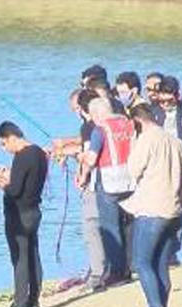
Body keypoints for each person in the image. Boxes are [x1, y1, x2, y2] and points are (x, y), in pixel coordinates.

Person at [121, 104, 182, 307]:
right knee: (160, 263)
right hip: (174, 209)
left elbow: (133, 170)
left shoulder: (146, 140)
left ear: (137, 121)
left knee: (142, 262)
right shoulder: (174, 141)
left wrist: (133, 141)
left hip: (152, 209)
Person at [0, 121, 48, 307]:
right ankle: (34, 301)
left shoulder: (22, 156)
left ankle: (20, 305)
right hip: (34, 210)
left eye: (3, 143)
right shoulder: (39, 153)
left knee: (20, 258)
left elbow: (15, 190)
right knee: (33, 255)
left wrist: (2, 183)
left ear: (12, 138)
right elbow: (26, 182)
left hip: (20, 213)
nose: (4, 148)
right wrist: (11, 176)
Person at [52, 89, 107, 292]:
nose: (76, 113)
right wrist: (65, 149)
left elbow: (89, 155)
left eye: (76, 109)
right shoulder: (103, 125)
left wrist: (82, 176)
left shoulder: (89, 127)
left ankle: (97, 274)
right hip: (108, 184)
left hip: (95, 185)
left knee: (92, 228)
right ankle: (102, 269)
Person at [79, 97, 135, 284]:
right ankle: (130, 267)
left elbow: (92, 159)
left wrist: (82, 161)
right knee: (129, 226)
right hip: (131, 181)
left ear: (96, 114)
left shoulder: (100, 129)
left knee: (110, 227)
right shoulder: (127, 124)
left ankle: (116, 272)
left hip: (109, 183)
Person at [152, 76, 182, 263]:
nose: (165, 105)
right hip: (160, 170)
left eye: (169, 101)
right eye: (162, 101)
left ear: (177, 95)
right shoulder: (154, 113)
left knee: (181, 208)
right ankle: (160, 248)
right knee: (161, 209)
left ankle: (173, 250)